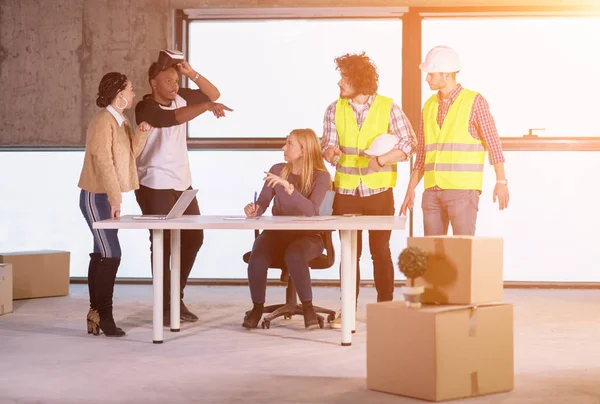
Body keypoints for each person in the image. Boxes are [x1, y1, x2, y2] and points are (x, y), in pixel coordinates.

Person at [134, 50, 233, 325]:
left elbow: (213, 93)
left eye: (176, 80)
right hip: (153, 183)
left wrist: (192, 74)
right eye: (168, 80)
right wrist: (204, 108)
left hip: (181, 181)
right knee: (163, 242)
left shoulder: (181, 96)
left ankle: (174, 298)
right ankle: (164, 305)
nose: (174, 85)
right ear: (153, 82)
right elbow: (171, 119)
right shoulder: (145, 107)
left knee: (193, 238)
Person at [321, 52, 416, 328]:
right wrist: (330, 152)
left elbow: (409, 143)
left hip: (378, 192)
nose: (340, 83)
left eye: (345, 78)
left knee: (380, 250)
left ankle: (386, 308)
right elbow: (327, 145)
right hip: (346, 193)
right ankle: (347, 310)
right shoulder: (333, 108)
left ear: (358, 80)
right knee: (350, 253)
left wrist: (382, 160)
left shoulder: (388, 107)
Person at [399, 45, 509, 235]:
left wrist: (501, 181)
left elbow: (493, 143)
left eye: (431, 74)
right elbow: (423, 154)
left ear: (446, 75)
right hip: (432, 192)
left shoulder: (474, 102)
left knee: (462, 253)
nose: (427, 78)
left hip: (462, 192)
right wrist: (410, 189)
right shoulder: (429, 106)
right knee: (432, 255)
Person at [78, 72, 152, 337]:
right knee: (111, 253)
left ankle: (95, 314)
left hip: (105, 196)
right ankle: (105, 317)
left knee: (102, 253)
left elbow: (127, 155)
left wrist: (141, 134)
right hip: (95, 197)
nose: (134, 93)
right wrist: (115, 198)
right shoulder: (102, 122)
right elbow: (104, 162)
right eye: (131, 89)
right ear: (119, 94)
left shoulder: (120, 122)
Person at [242, 129, 332, 330]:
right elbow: (264, 202)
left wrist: (290, 189)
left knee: (295, 255)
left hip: (308, 237)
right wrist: (255, 209)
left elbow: (310, 210)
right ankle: (257, 308)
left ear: (303, 150)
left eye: (289, 144)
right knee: (258, 255)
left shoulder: (321, 176)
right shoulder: (277, 169)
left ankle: (307, 308)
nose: (284, 147)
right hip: (277, 234)